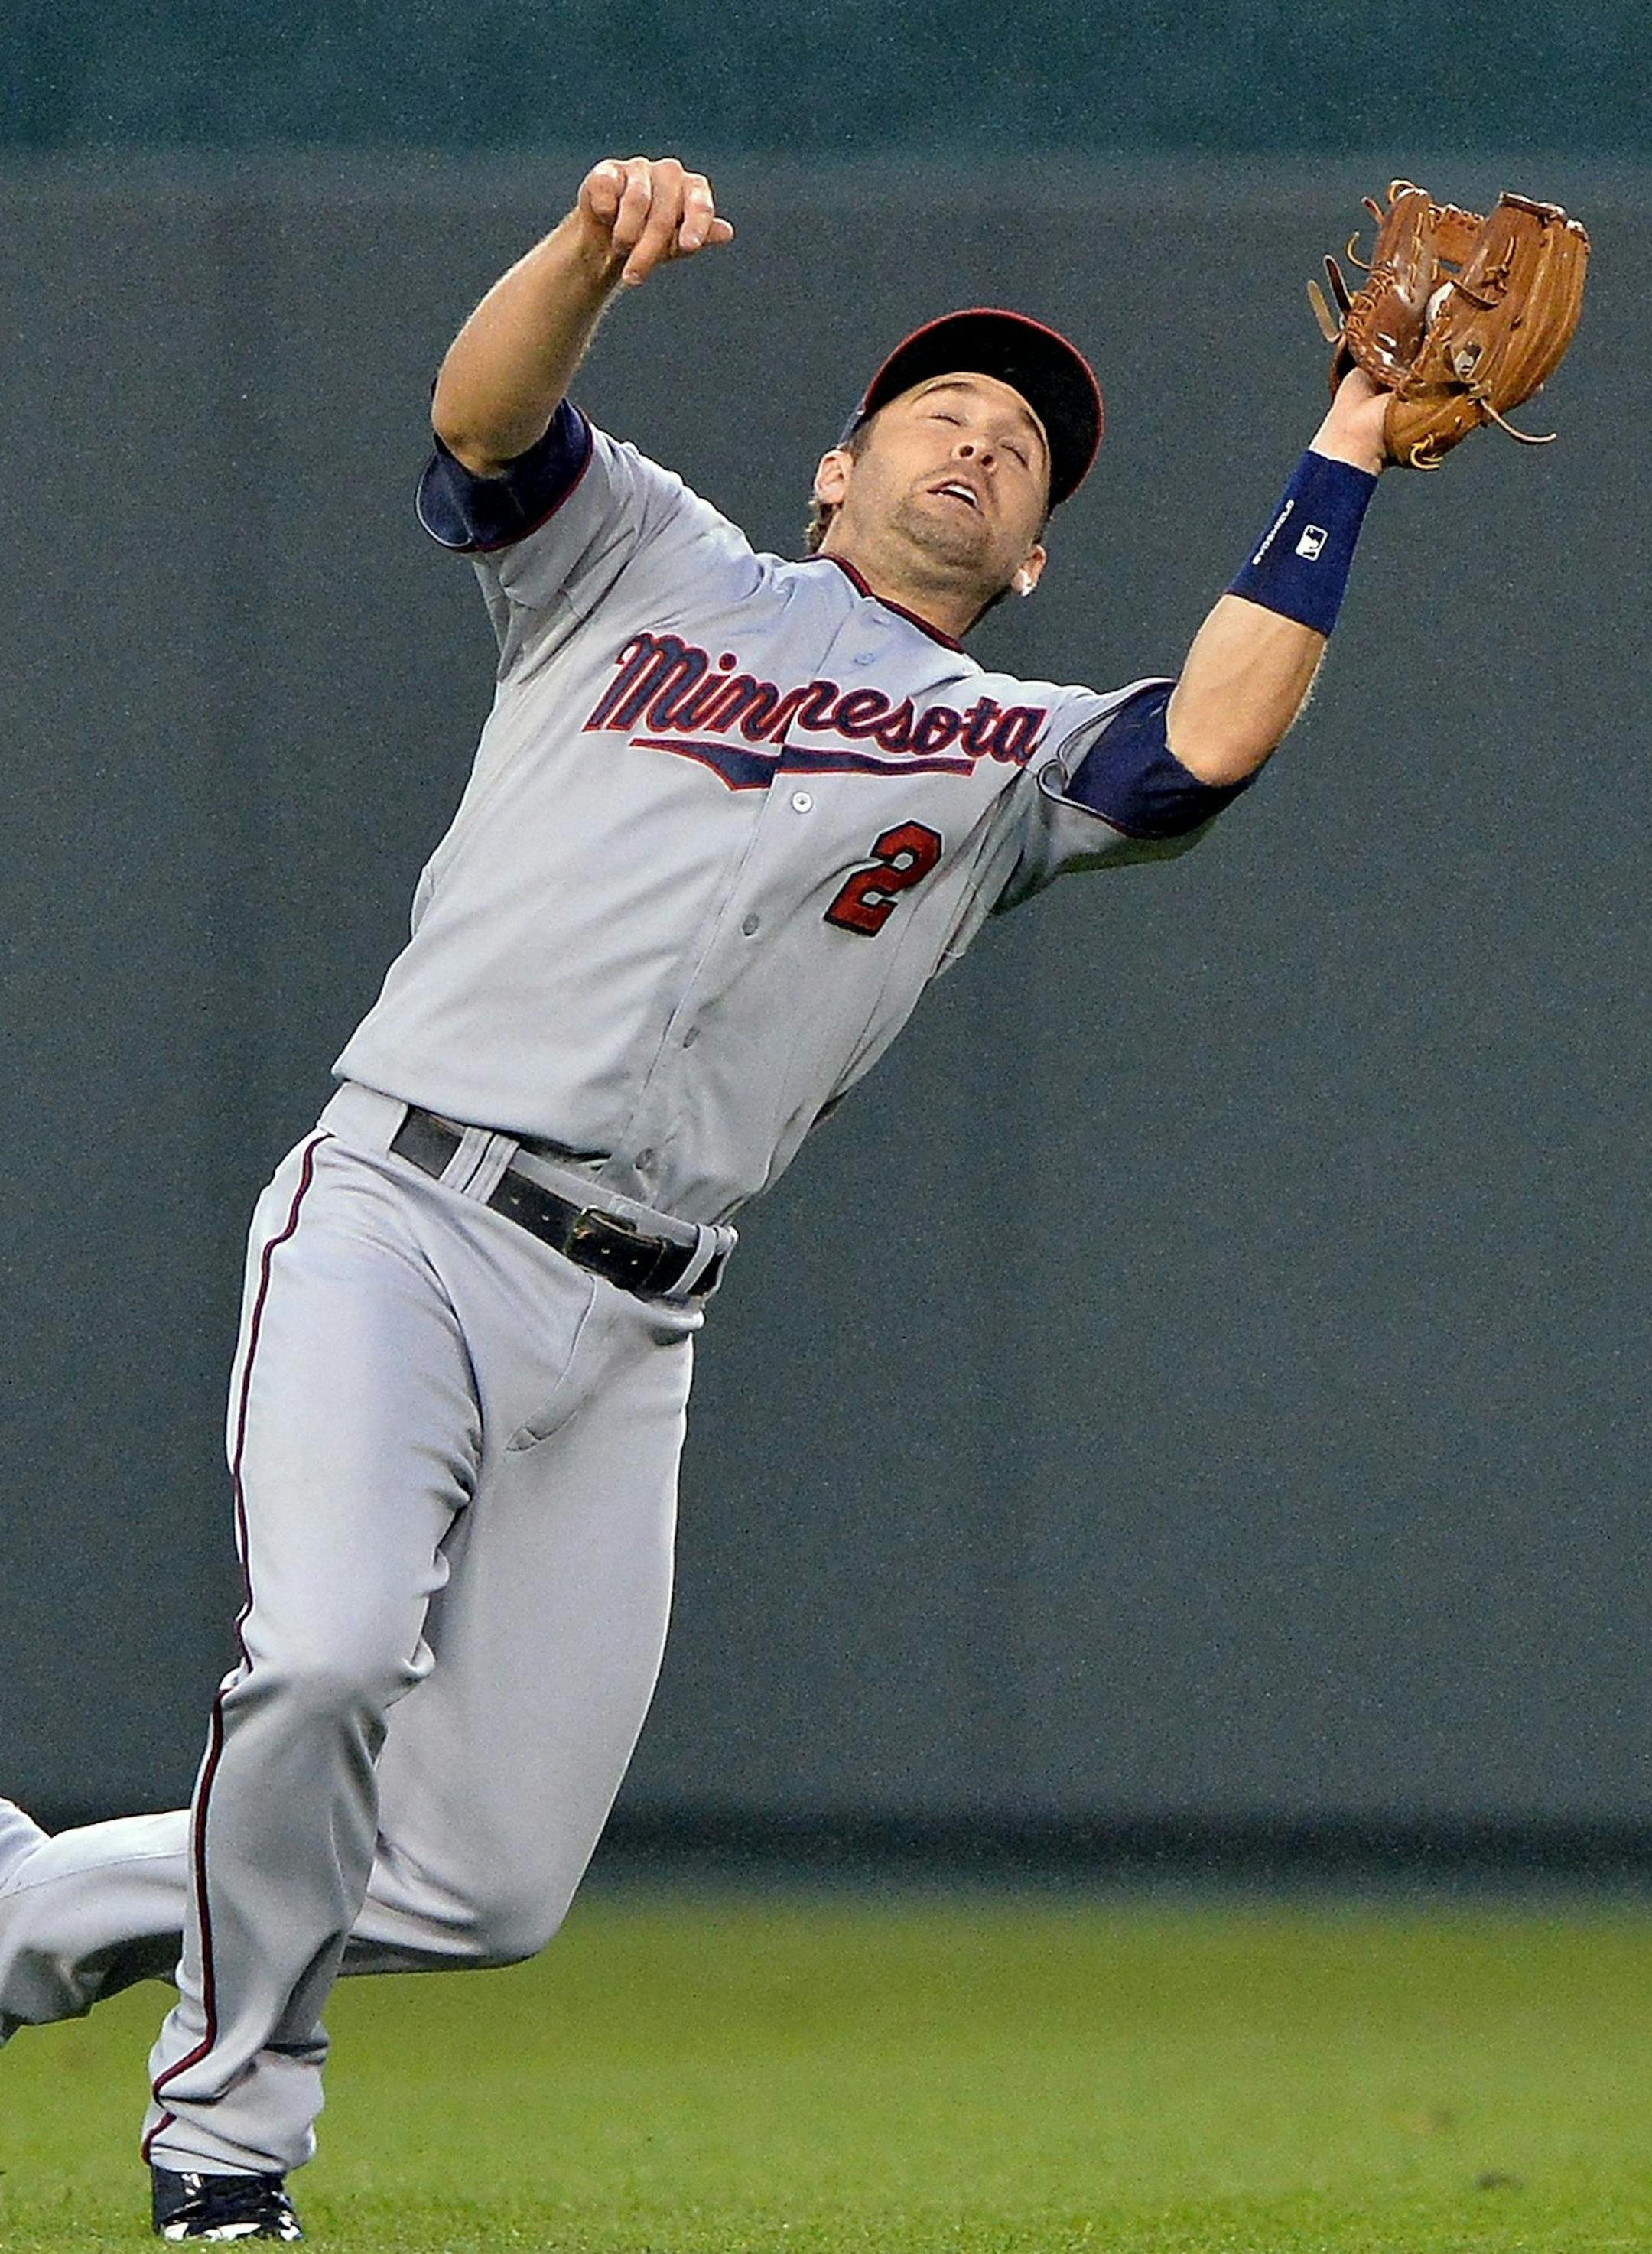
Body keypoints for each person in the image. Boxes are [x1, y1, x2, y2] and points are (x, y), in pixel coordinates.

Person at [0, 155, 1389, 2242]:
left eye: (1023, 454)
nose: (986, 440)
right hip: (403, 1211)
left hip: (637, 1316)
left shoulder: (1002, 751)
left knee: (489, 1881)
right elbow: (484, 422)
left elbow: (1204, 745)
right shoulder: (645, 558)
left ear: (1024, 566)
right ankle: (226, 2147)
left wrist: (1351, 438)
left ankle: (28, 1911)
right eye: (945, 411)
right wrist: (579, 253)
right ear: (834, 473)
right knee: (326, 1659)